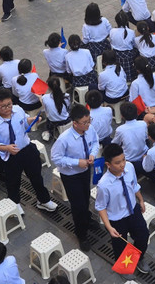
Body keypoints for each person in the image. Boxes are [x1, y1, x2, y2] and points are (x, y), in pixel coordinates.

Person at [0, 88, 56, 211]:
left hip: (27, 149)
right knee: (13, 182)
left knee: (36, 177)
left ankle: (43, 200)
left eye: (9, 104)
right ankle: (15, 203)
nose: (7, 108)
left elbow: (24, 121)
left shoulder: (18, 110)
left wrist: (32, 120)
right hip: (11, 155)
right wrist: (6, 148)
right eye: (3, 106)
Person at [94, 143, 150, 275]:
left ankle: (139, 258)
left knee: (143, 235)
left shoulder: (130, 167)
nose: (122, 164)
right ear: (108, 164)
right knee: (120, 246)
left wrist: (141, 200)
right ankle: (124, 268)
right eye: (118, 162)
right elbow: (101, 207)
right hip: (117, 218)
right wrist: (109, 227)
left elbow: (134, 185)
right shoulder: (104, 185)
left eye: (123, 159)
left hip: (133, 210)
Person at [50, 104, 99, 250]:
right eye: (85, 122)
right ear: (75, 123)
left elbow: (95, 142)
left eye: (89, 120)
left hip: (85, 171)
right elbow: (56, 158)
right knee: (77, 206)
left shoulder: (90, 130)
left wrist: (92, 154)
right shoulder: (64, 138)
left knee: (85, 197)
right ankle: (82, 234)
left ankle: (87, 218)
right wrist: (77, 162)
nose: (88, 124)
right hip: (71, 175)